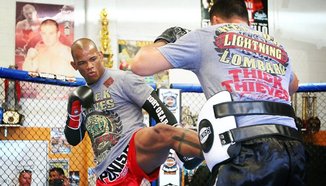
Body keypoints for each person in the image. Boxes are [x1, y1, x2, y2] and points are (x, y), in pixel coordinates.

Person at [131, 0, 306, 185]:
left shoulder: (208, 34)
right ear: (247, 21)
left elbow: (140, 64)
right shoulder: (276, 45)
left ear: (215, 19)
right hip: (293, 150)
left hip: (247, 150)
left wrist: (166, 39)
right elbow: (293, 85)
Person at [65, 38, 203, 185]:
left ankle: (216, 147)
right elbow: (74, 139)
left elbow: (157, 108)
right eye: (82, 63)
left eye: (93, 59)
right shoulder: (79, 98)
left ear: (100, 55)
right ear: (74, 65)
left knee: (162, 131)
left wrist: (181, 149)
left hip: (134, 151)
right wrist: (74, 112)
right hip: (108, 173)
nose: (90, 66)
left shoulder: (123, 79)